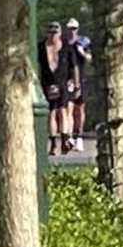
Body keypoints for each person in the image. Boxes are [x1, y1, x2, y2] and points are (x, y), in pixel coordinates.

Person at [39, 21, 72, 156]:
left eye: (55, 32)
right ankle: (53, 143)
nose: (53, 35)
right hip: (48, 81)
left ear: (60, 33)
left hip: (62, 81)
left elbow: (73, 65)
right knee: (51, 112)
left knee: (62, 111)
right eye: (51, 32)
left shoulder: (65, 47)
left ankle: (64, 139)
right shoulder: (41, 47)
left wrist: (74, 82)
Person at [63, 17, 92, 151]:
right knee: (68, 108)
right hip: (67, 79)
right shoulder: (63, 43)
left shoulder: (83, 41)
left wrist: (82, 52)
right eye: (70, 28)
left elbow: (90, 58)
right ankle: (69, 136)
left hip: (82, 77)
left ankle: (78, 135)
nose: (72, 31)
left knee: (80, 108)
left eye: (74, 29)